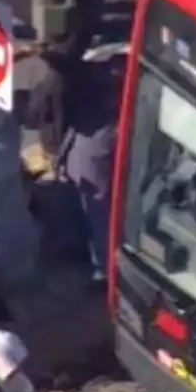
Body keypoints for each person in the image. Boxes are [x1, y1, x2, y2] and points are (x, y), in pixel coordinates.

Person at [63, 61, 122, 281]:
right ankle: (101, 270)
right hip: (94, 183)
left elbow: (73, 135)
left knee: (87, 222)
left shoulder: (91, 112)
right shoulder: (114, 125)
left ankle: (94, 263)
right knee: (97, 227)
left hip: (79, 174)